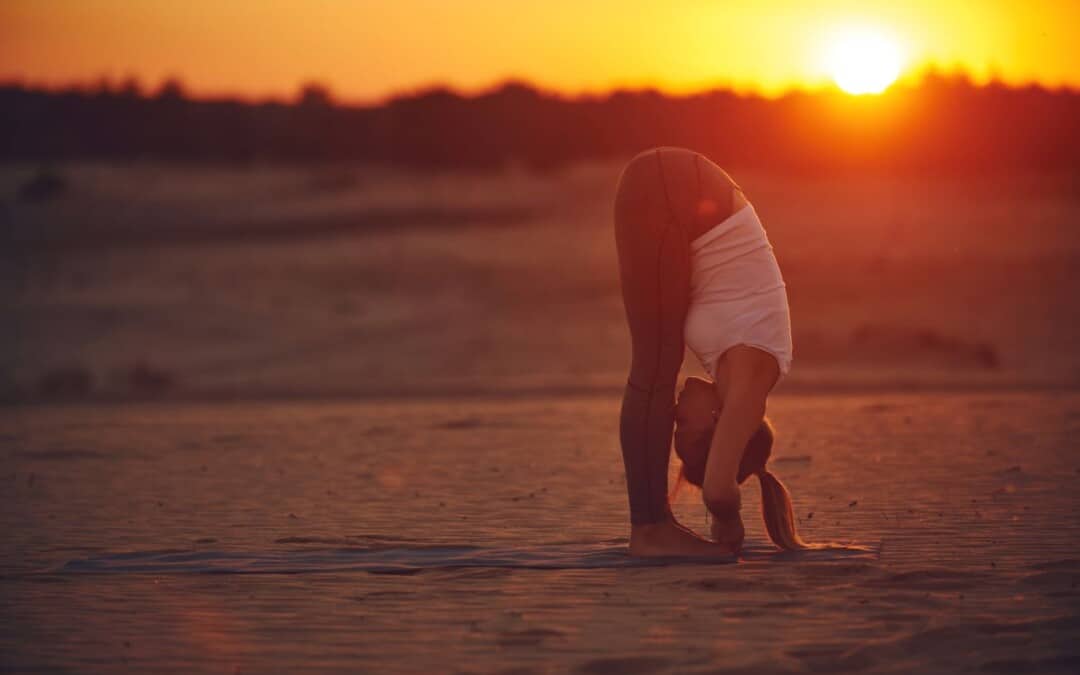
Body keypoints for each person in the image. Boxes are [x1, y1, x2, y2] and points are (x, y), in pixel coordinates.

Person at [614, 146, 801, 557]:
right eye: (685, 426)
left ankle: (650, 527)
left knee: (656, 361)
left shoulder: (734, 365)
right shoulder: (753, 382)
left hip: (673, 188)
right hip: (679, 189)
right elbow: (719, 491)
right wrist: (727, 524)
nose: (676, 412)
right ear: (719, 423)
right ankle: (650, 529)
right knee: (654, 365)